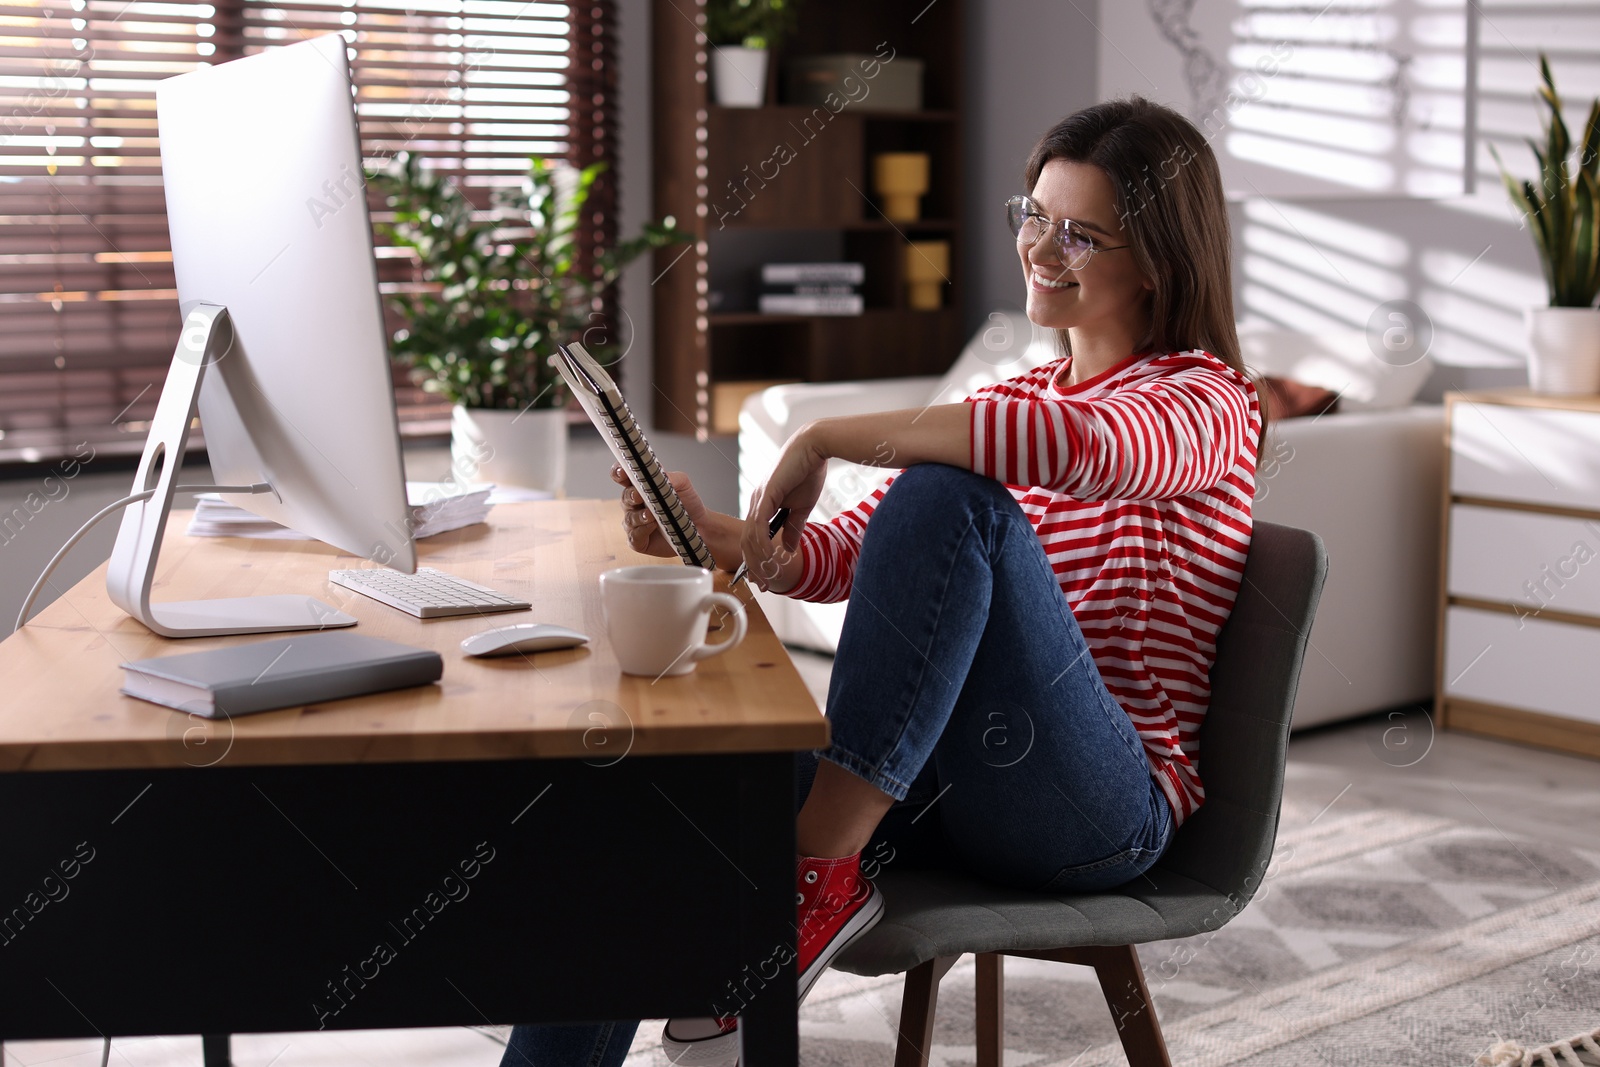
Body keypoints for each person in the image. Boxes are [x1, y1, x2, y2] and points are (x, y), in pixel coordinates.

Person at [612, 95, 1263, 1067]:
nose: (1042, 249)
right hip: (948, 792)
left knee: (945, 494)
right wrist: (708, 534)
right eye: (1034, 216)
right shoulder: (1011, 398)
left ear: (1159, 262)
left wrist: (826, 433)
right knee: (650, 795)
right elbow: (833, 559)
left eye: (1080, 234)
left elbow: (1075, 446)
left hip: (1100, 806)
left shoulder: (1205, 400)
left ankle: (817, 869)